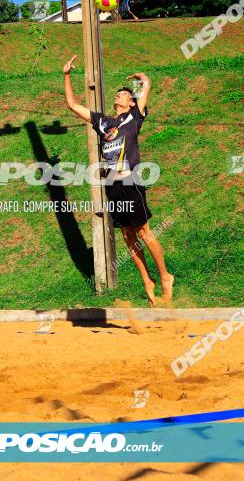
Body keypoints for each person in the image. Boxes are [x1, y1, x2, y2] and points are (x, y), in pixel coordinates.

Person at [62, 55, 173, 305]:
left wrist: (141, 79)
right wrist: (66, 75)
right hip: (112, 186)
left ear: (131, 102)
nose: (120, 95)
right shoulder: (103, 122)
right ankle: (147, 280)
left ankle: (165, 276)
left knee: (143, 231)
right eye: (119, 93)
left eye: (124, 94)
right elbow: (72, 105)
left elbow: (146, 84)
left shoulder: (134, 117)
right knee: (127, 235)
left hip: (130, 182)